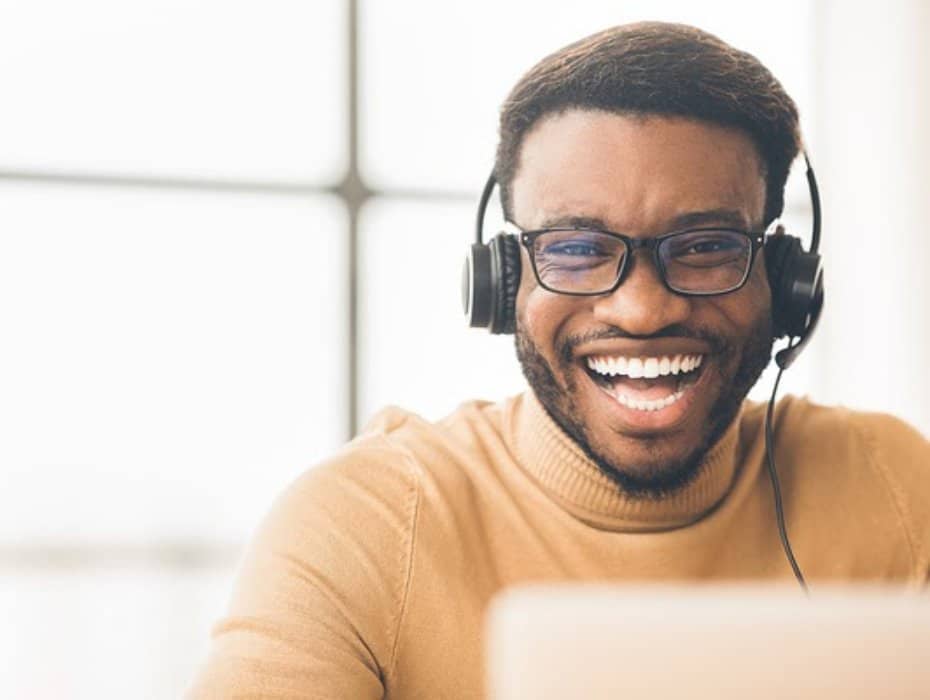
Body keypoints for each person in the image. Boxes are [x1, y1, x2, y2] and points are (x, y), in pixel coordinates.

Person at [188, 21, 930, 699]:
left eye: (706, 248)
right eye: (576, 249)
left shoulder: (893, 484)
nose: (642, 311)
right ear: (503, 279)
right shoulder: (362, 525)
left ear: (786, 280)